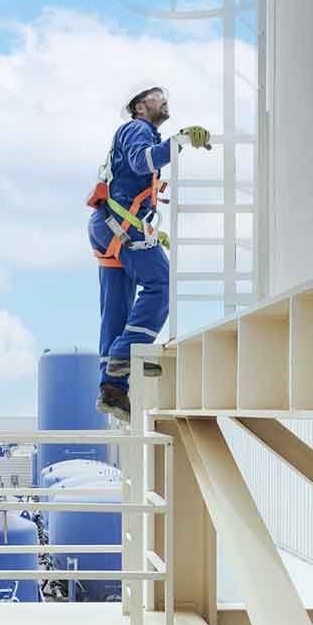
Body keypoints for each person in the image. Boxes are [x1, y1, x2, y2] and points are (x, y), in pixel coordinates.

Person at [87, 86, 209, 422]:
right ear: (140, 106)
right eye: (157, 96)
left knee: (116, 310)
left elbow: (131, 182)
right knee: (162, 285)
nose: (165, 100)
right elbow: (143, 163)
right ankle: (126, 354)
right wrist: (180, 142)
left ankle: (112, 389)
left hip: (110, 226)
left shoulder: (133, 133)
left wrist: (154, 233)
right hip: (119, 226)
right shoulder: (137, 129)